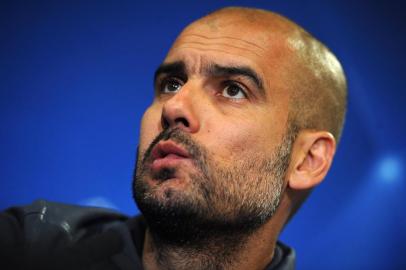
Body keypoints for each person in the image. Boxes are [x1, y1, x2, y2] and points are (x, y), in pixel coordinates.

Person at [0, 6, 347, 270]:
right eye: (171, 84)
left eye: (233, 89)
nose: (175, 106)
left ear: (307, 160)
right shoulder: (30, 245)